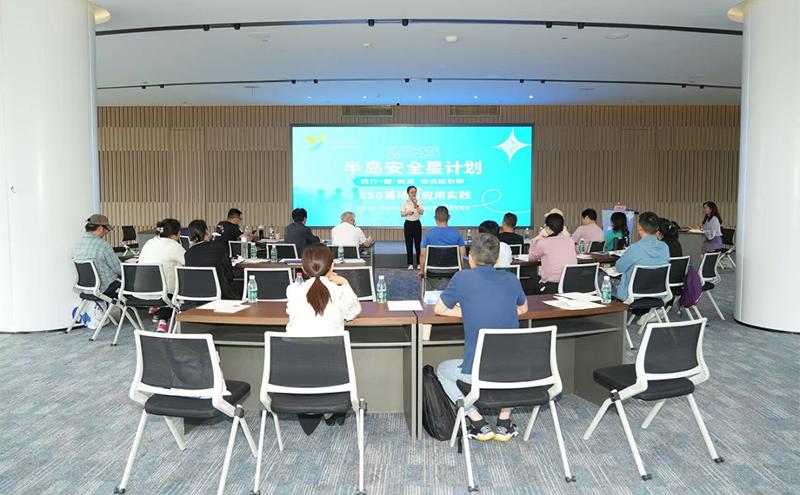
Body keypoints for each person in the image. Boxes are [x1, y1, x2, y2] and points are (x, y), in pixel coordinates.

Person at [435, 233, 528, 442]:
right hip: (514, 372)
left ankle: (478, 422)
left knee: (442, 371)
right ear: (497, 258)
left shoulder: (462, 278)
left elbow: (440, 309)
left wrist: (468, 310)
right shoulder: (511, 279)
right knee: (508, 363)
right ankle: (504, 423)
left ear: (470, 257)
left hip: (477, 374)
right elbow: (523, 309)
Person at [285, 243, 362, 335]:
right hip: (333, 344)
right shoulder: (340, 291)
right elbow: (355, 311)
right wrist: (345, 283)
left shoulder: (293, 290)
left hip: (294, 344)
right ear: (332, 266)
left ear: (303, 269)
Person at [138, 218, 186, 331]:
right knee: (179, 289)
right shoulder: (174, 246)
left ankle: (160, 315)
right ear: (175, 234)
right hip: (162, 292)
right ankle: (163, 319)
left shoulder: (149, 242)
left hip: (140, 290)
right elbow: (188, 262)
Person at [614, 211, 670, 302]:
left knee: (602, 279)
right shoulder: (665, 247)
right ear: (657, 228)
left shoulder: (634, 248)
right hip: (658, 294)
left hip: (632, 295)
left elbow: (619, 268)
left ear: (639, 227)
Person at [184, 219, 238, 300]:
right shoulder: (219, 247)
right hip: (219, 295)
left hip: (194, 297)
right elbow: (229, 274)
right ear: (206, 231)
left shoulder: (188, 254)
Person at [72, 214, 122, 297]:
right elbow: (119, 269)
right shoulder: (103, 245)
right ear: (100, 228)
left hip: (85, 288)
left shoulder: (77, 244)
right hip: (104, 288)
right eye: (106, 230)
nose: (105, 233)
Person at [528, 213, 578, 294]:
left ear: (547, 228)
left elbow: (531, 258)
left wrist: (535, 240)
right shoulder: (570, 240)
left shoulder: (543, 243)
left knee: (531, 282)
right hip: (570, 285)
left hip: (551, 287)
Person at [418, 206, 466, 279]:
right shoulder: (457, 233)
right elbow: (463, 254)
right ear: (449, 217)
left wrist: (421, 271)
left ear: (435, 218)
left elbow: (422, 255)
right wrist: (462, 271)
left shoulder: (428, 234)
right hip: (453, 271)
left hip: (432, 271)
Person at [401, 185, 424, 270]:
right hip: (408, 224)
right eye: (412, 192)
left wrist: (415, 204)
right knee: (409, 244)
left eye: (415, 192)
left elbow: (421, 212)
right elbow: (401, 214)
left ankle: (419, 263)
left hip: (417, 224)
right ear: (408, 193)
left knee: (418, 244)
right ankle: (410, 263)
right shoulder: (405, 202)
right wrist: (407, 213)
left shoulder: (419, 202)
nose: (414, 194)